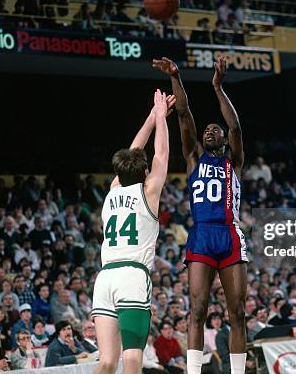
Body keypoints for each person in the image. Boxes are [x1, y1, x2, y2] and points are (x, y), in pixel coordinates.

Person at [153, 55, 247, 374]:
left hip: (230, 233)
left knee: (237, 312)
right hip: (202, 234)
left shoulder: (234, 159)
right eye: (206, 130)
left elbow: (234, 124)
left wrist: (218, 86)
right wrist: (176, 77)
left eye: (214, 129)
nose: (209, 131)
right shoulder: (194, 157)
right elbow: (182, 113)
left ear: (222, 139)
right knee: (197, 310)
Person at [92, 88, 174, 374]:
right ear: (142, 172)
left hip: (104, 279)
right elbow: (161, 154)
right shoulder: (149, 192)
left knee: (105, 361)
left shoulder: (111, 192)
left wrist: (151, 117)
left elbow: (132, 153)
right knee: (131, 359)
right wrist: (162, 117)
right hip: (132, 277)